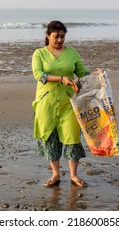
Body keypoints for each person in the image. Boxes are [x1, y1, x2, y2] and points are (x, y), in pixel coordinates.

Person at [32, 20, 90, 188]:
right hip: (46, 102)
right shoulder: (39, 54)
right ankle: (56, 174)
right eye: (56, 36)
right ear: (48, 35)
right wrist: (61, 78)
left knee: (72, 137)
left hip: (69, 102)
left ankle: (73, 175)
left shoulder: (72, 52)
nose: (59, 40)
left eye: (62, 37)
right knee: (51, 138)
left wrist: (95, 73)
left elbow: (81, 72)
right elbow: (39, 75)